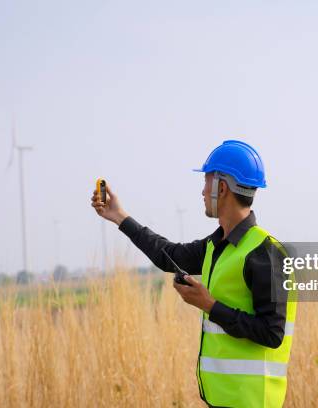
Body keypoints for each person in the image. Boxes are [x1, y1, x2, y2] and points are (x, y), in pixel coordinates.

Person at [91, 140, 296, 408]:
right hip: (222, 398)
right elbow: (168, 255)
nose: (202, 191)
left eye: (206, 182)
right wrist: (119, 216)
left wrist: (208, 305)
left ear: (222, 188)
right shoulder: (215, 246)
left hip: (253, 401)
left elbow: (272, 333)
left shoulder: (266, 253)